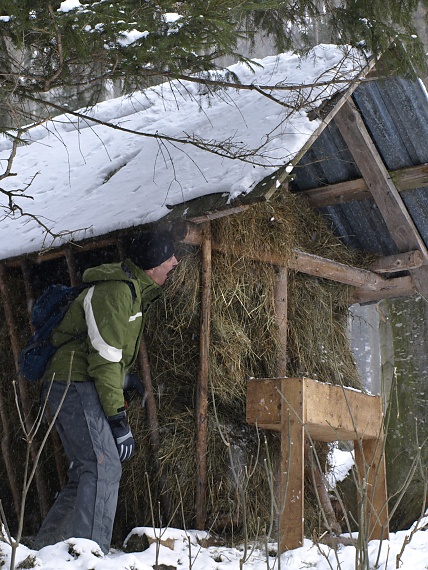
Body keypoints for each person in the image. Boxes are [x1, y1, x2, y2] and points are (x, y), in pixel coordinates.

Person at [34, 230, 178, 554]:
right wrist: (118, 421)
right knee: (103, 466)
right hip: (73, 383)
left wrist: (124, 381)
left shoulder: (132, 292)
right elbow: (103, 361)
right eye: (169, 254)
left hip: (75, 380)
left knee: (89, 468)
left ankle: (46, 552)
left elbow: (105, 353)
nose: (176, 261)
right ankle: (89, 555)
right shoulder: (116, 292)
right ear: (152, 262)